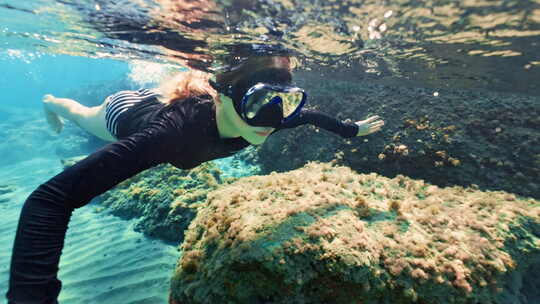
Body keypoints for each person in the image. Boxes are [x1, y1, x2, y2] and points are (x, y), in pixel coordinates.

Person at [6, 56, 384, 303]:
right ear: (222, 97)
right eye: (258, 103)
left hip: (169, 101)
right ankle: (53, 102)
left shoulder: (272, 116)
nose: (273, 118)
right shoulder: (169, 136)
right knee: (81, 113)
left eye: (284, 101)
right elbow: (49, 199)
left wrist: (351, 131)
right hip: (123, 113)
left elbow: (312, 115)